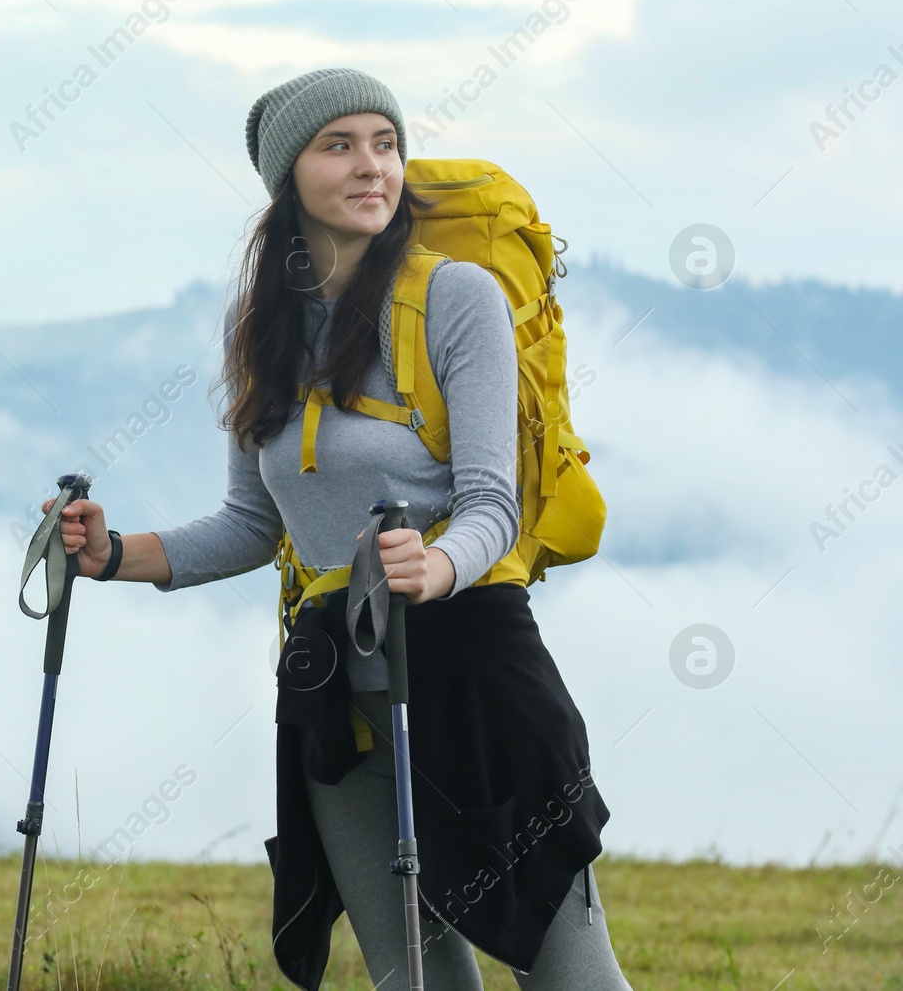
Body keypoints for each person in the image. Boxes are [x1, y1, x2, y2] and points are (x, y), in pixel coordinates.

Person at [41, 68, 633, 990]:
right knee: (414, 977)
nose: (373, 167)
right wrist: (112, 555)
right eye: (340, 145)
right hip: (333, 684)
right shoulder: (262, 324)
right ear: (289, 180)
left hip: (475, 665)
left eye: (385, 143)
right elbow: (253, 524)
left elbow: (493, 503)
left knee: (571, 976)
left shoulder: (456, 296)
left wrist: (433, 567)